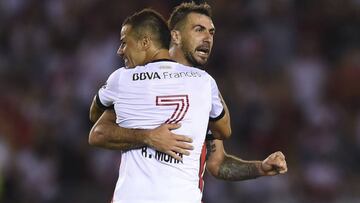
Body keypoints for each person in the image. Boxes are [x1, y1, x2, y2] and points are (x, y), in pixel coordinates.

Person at [91, 8, 231, 203]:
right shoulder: (204, 81)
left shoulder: (122, 79)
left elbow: (95, 124)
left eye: (124, 43)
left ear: (145, 42)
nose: (120, 50)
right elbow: (224, 130)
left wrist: (142, 132)